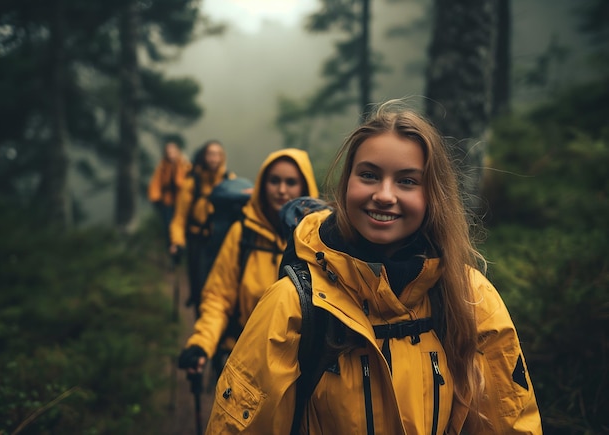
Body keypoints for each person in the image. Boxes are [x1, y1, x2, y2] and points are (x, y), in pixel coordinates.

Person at [203, 101, 542, 434]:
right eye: (369, 175)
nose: (384, 194)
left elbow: (509, 420)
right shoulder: (293, 304)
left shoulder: (471, 298)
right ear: (346, 182)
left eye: (407, 181)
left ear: (433, 194)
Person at [177, 148, 319, 380]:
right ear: (262, 185)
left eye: (291, 182)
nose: (282, 190)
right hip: (243, 359)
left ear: (304, 188)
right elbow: (218, 297)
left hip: (299, 368)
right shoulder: (242, 234)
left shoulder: (316, 239)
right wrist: (201, 344)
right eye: (274, 181)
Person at [170, 140, 235, 308]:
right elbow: (180, 217)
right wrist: (177, 241)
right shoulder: (193, 183)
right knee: (199, 286)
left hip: (222, 242)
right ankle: (201, 320)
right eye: (210, 154)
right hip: (197, 242)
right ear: (204, 157)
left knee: (223, 286)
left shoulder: (230, 181)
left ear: (222, 157)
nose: (214, 158)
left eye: (217, 154)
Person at [147, 139, 190, 247]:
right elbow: (155, 183)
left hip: (182, 201)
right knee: (168, 225)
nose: (170, 154)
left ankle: (182, 246)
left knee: (182, 225)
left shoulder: (185, 165)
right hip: (168, 201)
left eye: (173, 151)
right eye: (168, 152)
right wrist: (155, 198)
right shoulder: (162, 166)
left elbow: (188, 183)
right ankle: (172, 247)